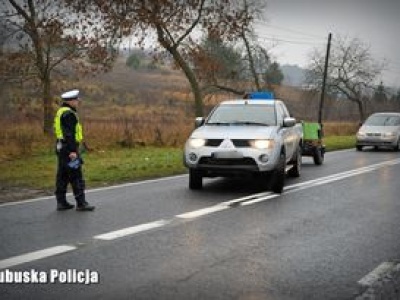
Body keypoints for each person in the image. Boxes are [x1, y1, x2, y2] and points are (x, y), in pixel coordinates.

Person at [54, 89, 95, 211]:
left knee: (62, 176)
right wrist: (72, 151)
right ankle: (81, 203)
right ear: (70, 101)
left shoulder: (61, 111)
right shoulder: (69, 114)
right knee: (76, 175)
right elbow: (69, 134)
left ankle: (61, 203)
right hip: (69, 149)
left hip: (61, 148)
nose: (78, 101)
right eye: (76, 99)